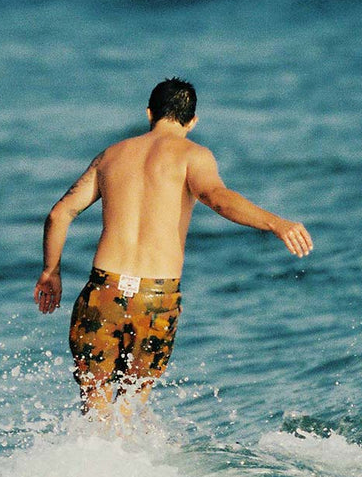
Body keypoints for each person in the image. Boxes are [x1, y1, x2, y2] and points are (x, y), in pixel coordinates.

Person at [34, 78, 313, 414]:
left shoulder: (112, 155)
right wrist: (276, 223)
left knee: (94, 408)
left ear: (149, 112)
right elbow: (217, 198)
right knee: (131, 408)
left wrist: (51, 271)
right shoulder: (194, 155)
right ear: (192, 121)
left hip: (103, 291)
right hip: (156, 297)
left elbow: (59, 213)